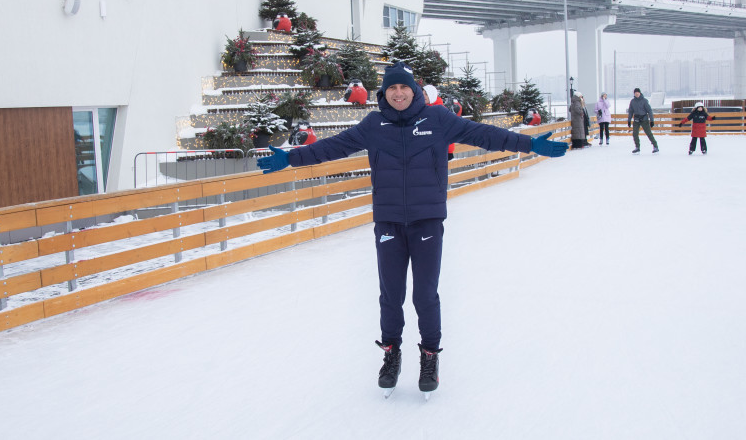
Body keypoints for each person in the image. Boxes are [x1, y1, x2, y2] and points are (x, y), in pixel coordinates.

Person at [257, 62, 568, 396]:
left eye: (404, 88)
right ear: (384, 94)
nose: (399, 93)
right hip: (388, 222)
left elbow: (484, 134)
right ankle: (391, 354)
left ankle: (430, 357)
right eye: (392, 89)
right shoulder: (373, 125)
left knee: (424, 295)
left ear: (415, 91)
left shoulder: (437, 119)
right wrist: (290, 158)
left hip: (427, 220)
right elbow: (331, 147)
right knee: (391, 295)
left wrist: (530, 144)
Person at [423, 84, 456, 160]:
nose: (424, 96)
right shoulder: (425, 109)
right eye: (423, 94)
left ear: (432, 95)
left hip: (441, 152)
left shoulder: (440, 110)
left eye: (426, 94)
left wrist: (448, 151)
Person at [627, 88, 659, 154]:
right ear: (634, 94)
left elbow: (649, 110)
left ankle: (655, 146)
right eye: (635, 93)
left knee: (648, 133)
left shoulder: (644, 101)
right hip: (636, 120)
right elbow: (630, 111)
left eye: (637, 93)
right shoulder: (632, 101)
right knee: (635, 134)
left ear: (640, 93)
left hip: (644, 119)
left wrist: (652, 120)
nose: (636, 94)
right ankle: (637, 147)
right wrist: (629, 120)